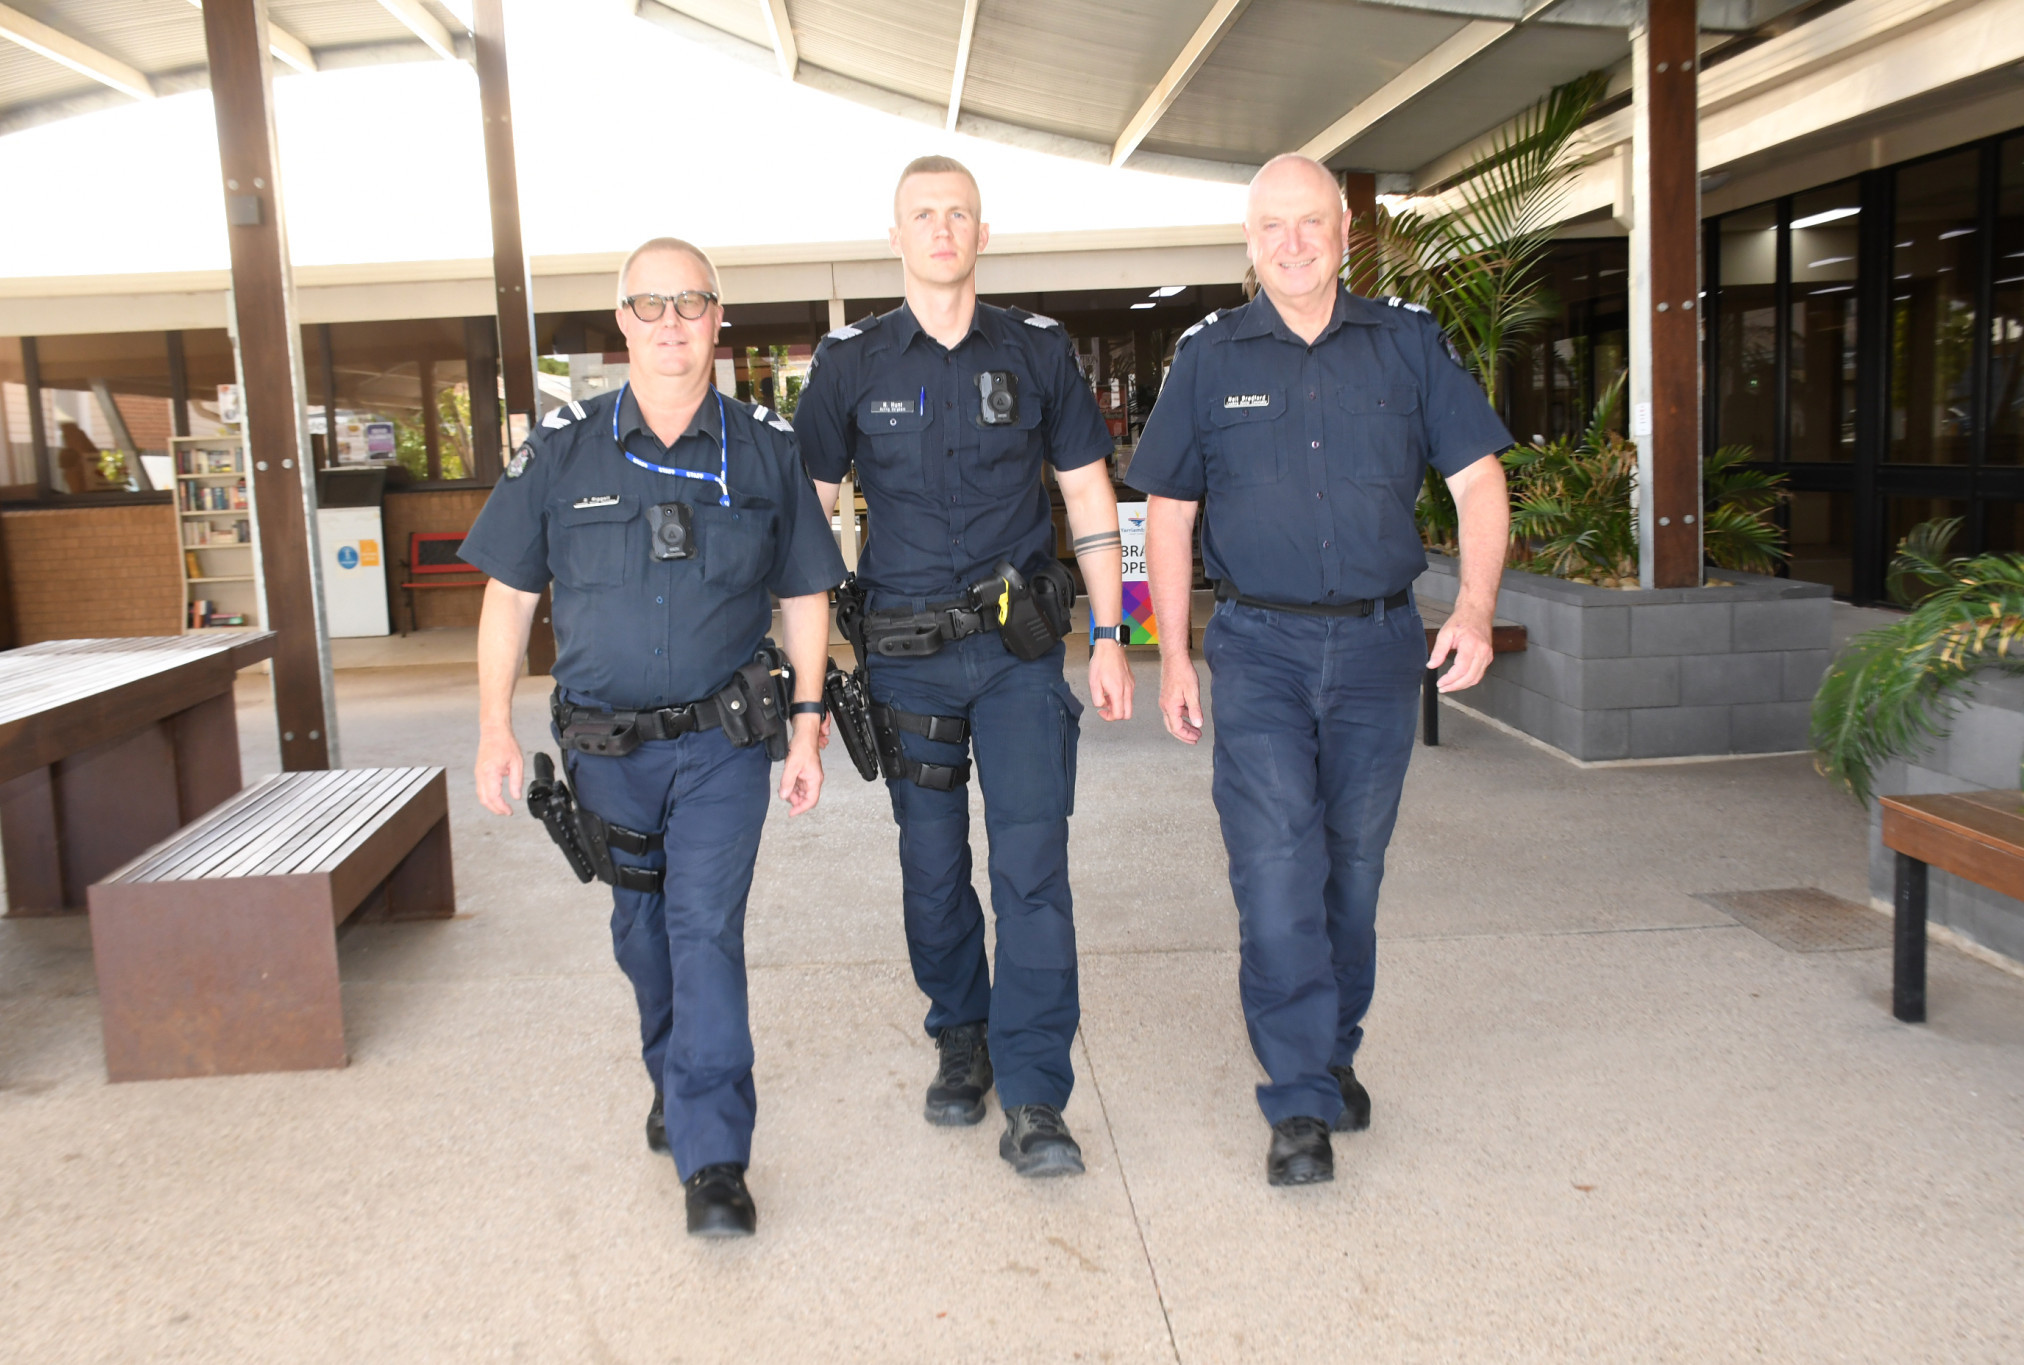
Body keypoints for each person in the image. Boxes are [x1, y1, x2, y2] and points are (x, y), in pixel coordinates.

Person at [1127, 154, 1513, 1187]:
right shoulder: (1205, 358)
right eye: (1270, 228)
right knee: (1274, 872)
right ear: (1247, 245)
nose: (1290, 243)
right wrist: (1167, 652)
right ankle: (1295, 1097)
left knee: (1351, 869)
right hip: (1256, 650)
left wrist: (1473, 606)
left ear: (1343, 231)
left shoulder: (1405, 346)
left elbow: (1478, 479)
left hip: (1380, 649)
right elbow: (1161, 515)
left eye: (1309, 223)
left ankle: (1329, 1046)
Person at [464, 236, 845, 1237]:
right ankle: (673, 1073)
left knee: (703, 930)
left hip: (722, 744)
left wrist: (806, 729)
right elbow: (508, 598)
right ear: (622, 322)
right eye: (650, 305)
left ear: (718, 321)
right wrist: (491, 727)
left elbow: (805, 593)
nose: (670, 321)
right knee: (640, 935)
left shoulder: (764, 448)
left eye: (691, 304)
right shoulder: (561, 448)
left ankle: (714, 1155)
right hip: (603, 754)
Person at [793, 155, 1134, 1177]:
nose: (942, 229)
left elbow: (1085, 495)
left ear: (980, 234)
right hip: (903, 666)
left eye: (959, 214)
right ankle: (960, 1031)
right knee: (931, 870)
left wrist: (1111, 636)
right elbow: (806, 529)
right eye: (922, 215)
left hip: (1019, 658)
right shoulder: (848, 362)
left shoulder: (1036, 351)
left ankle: (1035, 1096)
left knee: (1033, 871)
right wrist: (806, 693)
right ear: (895, 236)